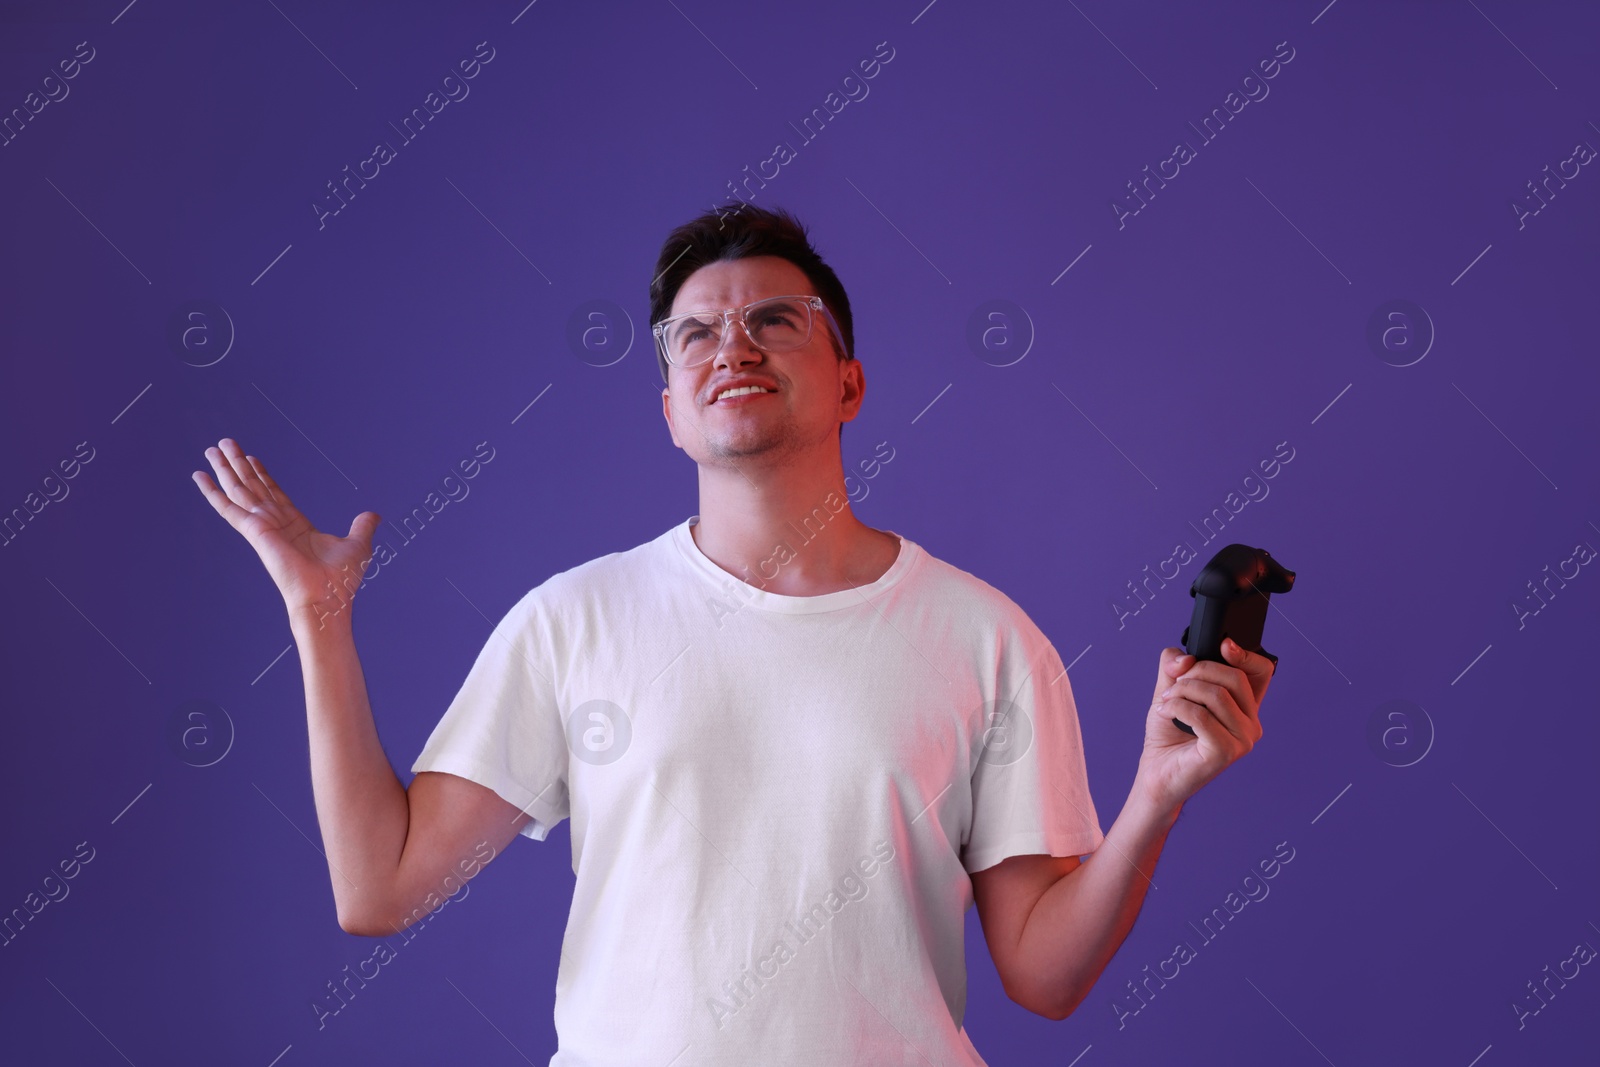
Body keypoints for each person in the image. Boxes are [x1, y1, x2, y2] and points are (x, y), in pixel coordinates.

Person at [192, 203, 1275, 1064]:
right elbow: (379, 887)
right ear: (668, 406)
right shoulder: (576, 619)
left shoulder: (986, 637)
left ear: (848, 380)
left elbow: (1043, 975)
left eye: (774, 319)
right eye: (695, 332)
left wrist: (1152, 800)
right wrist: (320, 620)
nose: (731, 346)